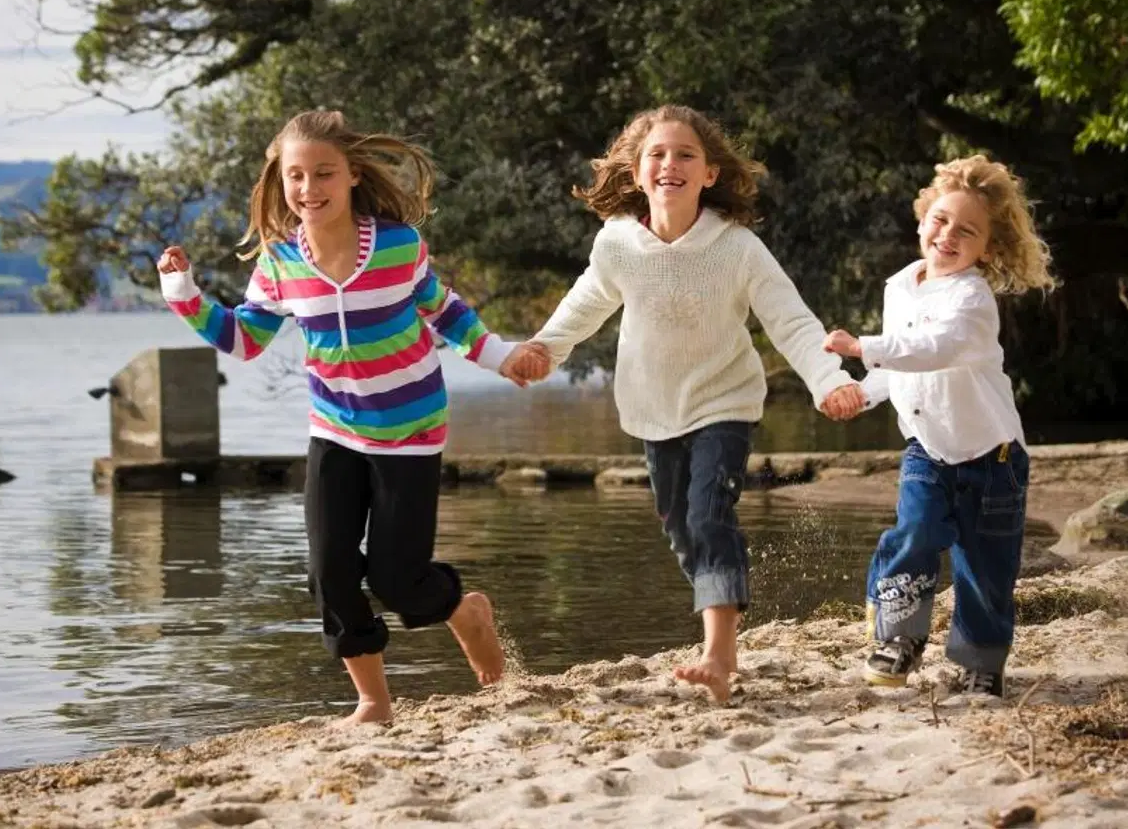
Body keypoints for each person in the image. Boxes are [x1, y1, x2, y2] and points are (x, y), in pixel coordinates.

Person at [156, 109, 551, 724]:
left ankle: (464, 611)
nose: (309, 189)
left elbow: (444, 313)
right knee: (328, 572)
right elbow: (244, 341)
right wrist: (184, 295)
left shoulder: (397, 246)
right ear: (278, 182)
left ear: (352, 176)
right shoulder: (280, 263)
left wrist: (503, 357)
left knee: (398, 580)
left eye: (324, 174)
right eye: (296, 176)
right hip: (335, 430)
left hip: (411, 430)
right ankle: (373, 701)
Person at [509, 105, 865, 703]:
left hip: (724, 403)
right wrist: (544, 349)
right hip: (653, 409)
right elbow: (585, 303)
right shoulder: (617, 244)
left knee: (708, 515)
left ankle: (719, 654)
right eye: (657, 154)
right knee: (681, 529)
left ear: (710, 174)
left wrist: (829, 380)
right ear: (636, 172)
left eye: (685, 155)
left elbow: (791, 321)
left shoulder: (738, 248)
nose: (670, 164)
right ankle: (720, 614)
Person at [822, 154, 1056, 697]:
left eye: (967, 231)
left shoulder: (972, 300)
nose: (948, 236)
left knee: (985, 566)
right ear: (923, 218)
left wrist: (864, 348)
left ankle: (980, 664)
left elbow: (936, 349)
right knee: (915, 534)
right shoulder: (900, 286)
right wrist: (860, 390)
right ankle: (897, 638)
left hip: (992, 459)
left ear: (987, 249)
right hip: (927, 450)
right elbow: (906, 372)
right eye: (941, 221)